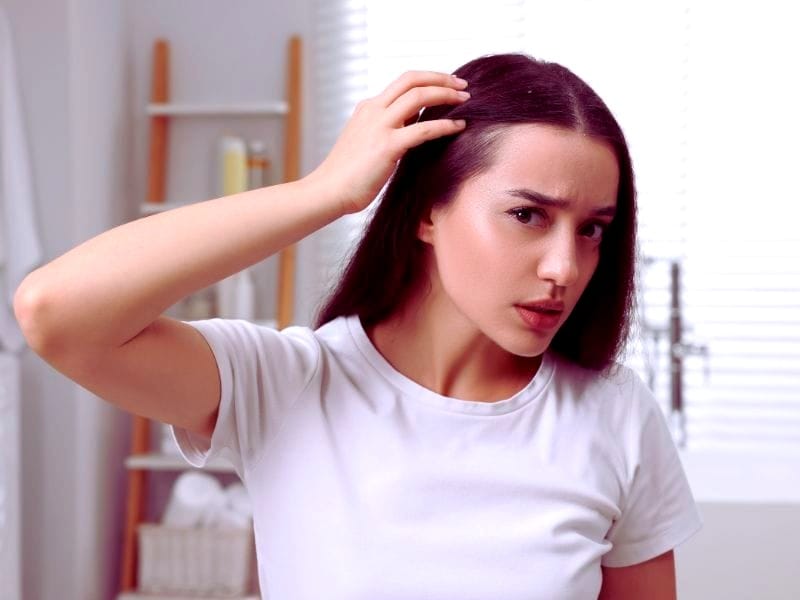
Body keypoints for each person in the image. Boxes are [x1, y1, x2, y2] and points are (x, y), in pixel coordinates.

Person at [14, 53, 702, 599]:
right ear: (427, 211)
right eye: (528, 215)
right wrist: (325, 193)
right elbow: (55, 314)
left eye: (592, 231)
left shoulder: (614, 417)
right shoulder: (287, 385)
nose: (565, 267)